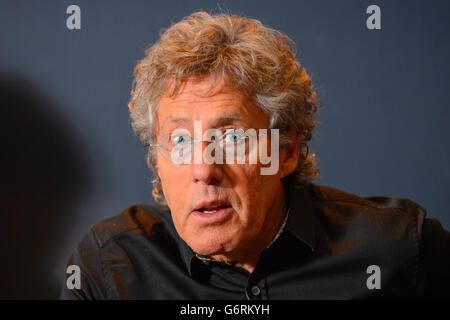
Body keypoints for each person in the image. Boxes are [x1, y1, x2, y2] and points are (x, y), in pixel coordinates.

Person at [60, 11, 450, 299]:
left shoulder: (401, 251)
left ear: (287, 150)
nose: (204, 168)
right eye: (179, 141)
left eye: (230, 137)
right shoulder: (110, 267)